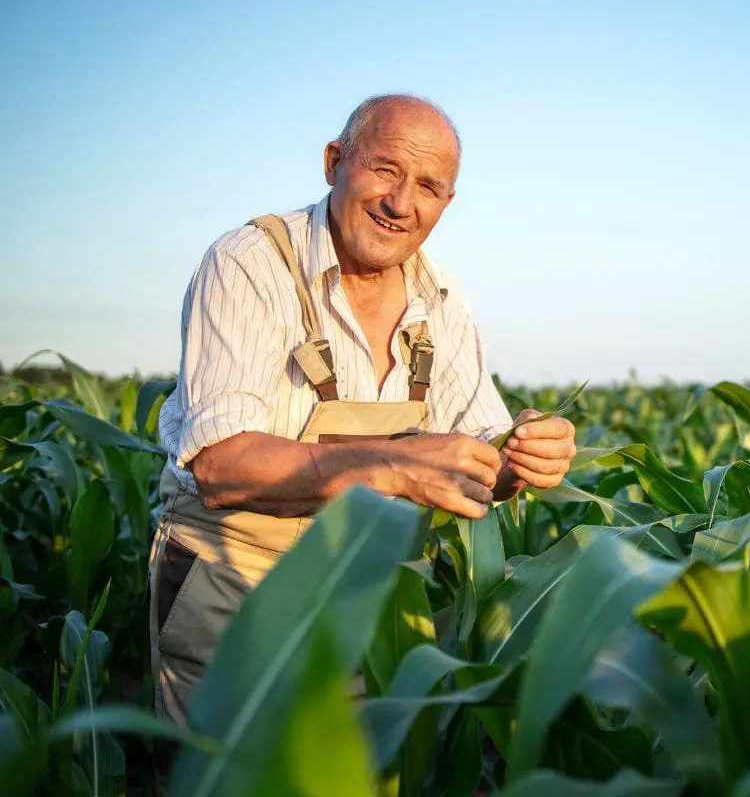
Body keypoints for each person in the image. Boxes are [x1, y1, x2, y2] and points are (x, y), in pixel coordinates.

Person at [145, 93, 576, 788]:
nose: (402, 203)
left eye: (429, 188)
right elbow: (221, 466)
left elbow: (477, 459)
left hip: (367, 595)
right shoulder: (250, 264)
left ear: (447, 203)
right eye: (385, 170)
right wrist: (396, 464)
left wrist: (523, 456)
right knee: (226, 781)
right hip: (232, 584)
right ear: (334, 163)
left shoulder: (442, 301)